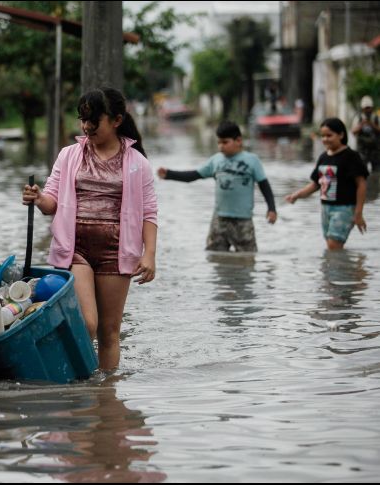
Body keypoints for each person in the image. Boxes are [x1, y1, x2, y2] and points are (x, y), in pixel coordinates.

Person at [21, 87, 157, 371]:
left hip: (116, 253)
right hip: (75, 249)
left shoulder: (137, 164)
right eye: (83, 119)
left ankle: (106, 391)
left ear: (116, 120)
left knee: (109, 332)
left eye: (94, 120)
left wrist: (149, 255)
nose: (86, 126)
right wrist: (38, 198)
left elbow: (149, 213)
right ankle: (80, 382)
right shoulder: (69, 155)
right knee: (86, 322)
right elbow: (51, 202)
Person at [157, 121, 277, 252]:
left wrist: (271, 208)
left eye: (225, 142)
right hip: (219, 219)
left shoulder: (252, 160)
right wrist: (169, 174)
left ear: (238, 140)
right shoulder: (216, 160)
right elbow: (194, 175)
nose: (221, 147)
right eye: (219, 142)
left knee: (247, 257)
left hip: (243, 220)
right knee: (214, 255)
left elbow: (264, 186)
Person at [285, 118, 368, 250]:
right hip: (326, 209)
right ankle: (351, 263)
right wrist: (297, 195)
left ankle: (351, 263)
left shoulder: (351, 157)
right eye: (322, 136)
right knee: (332, 247)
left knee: (333, 245)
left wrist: (358, 213)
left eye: (329, 135)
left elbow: (361, 184)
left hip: (344, 208)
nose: (325, 139)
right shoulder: (323, 157)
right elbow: (316, 184)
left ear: (341, 135)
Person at [351, 95, 380, 172]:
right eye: (366, 108)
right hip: (362, 150)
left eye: (369, 108)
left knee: (376, 170)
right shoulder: (358, 118)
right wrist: (362, 124)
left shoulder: (376, 117)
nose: (367, 110)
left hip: (375, 150)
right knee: (361, 169)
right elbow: (353, 131)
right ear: (362, 108)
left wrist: (372, 124)